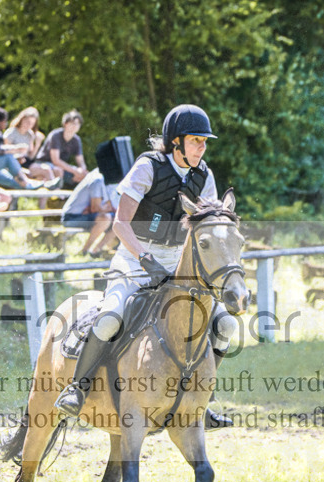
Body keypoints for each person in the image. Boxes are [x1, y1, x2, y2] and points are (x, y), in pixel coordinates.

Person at [53, 104, 237, 430]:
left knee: (225, 327)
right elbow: (120, 224)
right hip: (133, 257)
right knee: (111, 317)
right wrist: (144, 259)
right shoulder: (147, 167)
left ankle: (200, 399)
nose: (202, 147)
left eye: (205, 142)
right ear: (176, 142)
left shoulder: (204, 176)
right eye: (196, 140)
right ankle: (77, 390)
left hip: (178, 263)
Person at [60, 167, 119, 256]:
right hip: (71, 217)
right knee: (105, 218)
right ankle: (84, 251)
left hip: (84, 215)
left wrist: (105, 208)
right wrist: (104, 208)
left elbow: (104, 206)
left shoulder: (102, 179)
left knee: (120, 220)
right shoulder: (97, 179)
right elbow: (96, 208)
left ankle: (95, 251)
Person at [34, 110, 89, 189]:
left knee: (86, 176)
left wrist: (81, 170)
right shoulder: (55, 135)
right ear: (65, 124)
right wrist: (74, 171)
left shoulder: (76, 140)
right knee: (58, 171)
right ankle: (57, 195)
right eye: (73, 123)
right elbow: (55, 161)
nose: (75, 126)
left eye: (77, 124)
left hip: (62, 167)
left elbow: (80, 161)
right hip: (44, 163)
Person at [4, 106, 55, 182]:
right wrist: (18, 150)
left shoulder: (30, 134)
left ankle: (54, 191)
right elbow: (5, 152)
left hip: (27, 163)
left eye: (31, 124)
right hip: (14, 162)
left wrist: (37, 144)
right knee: (42, 174)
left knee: (46, 170)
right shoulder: (11, 133)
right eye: (27, 122)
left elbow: (30, 157)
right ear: (22, 119)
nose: (28, 125)